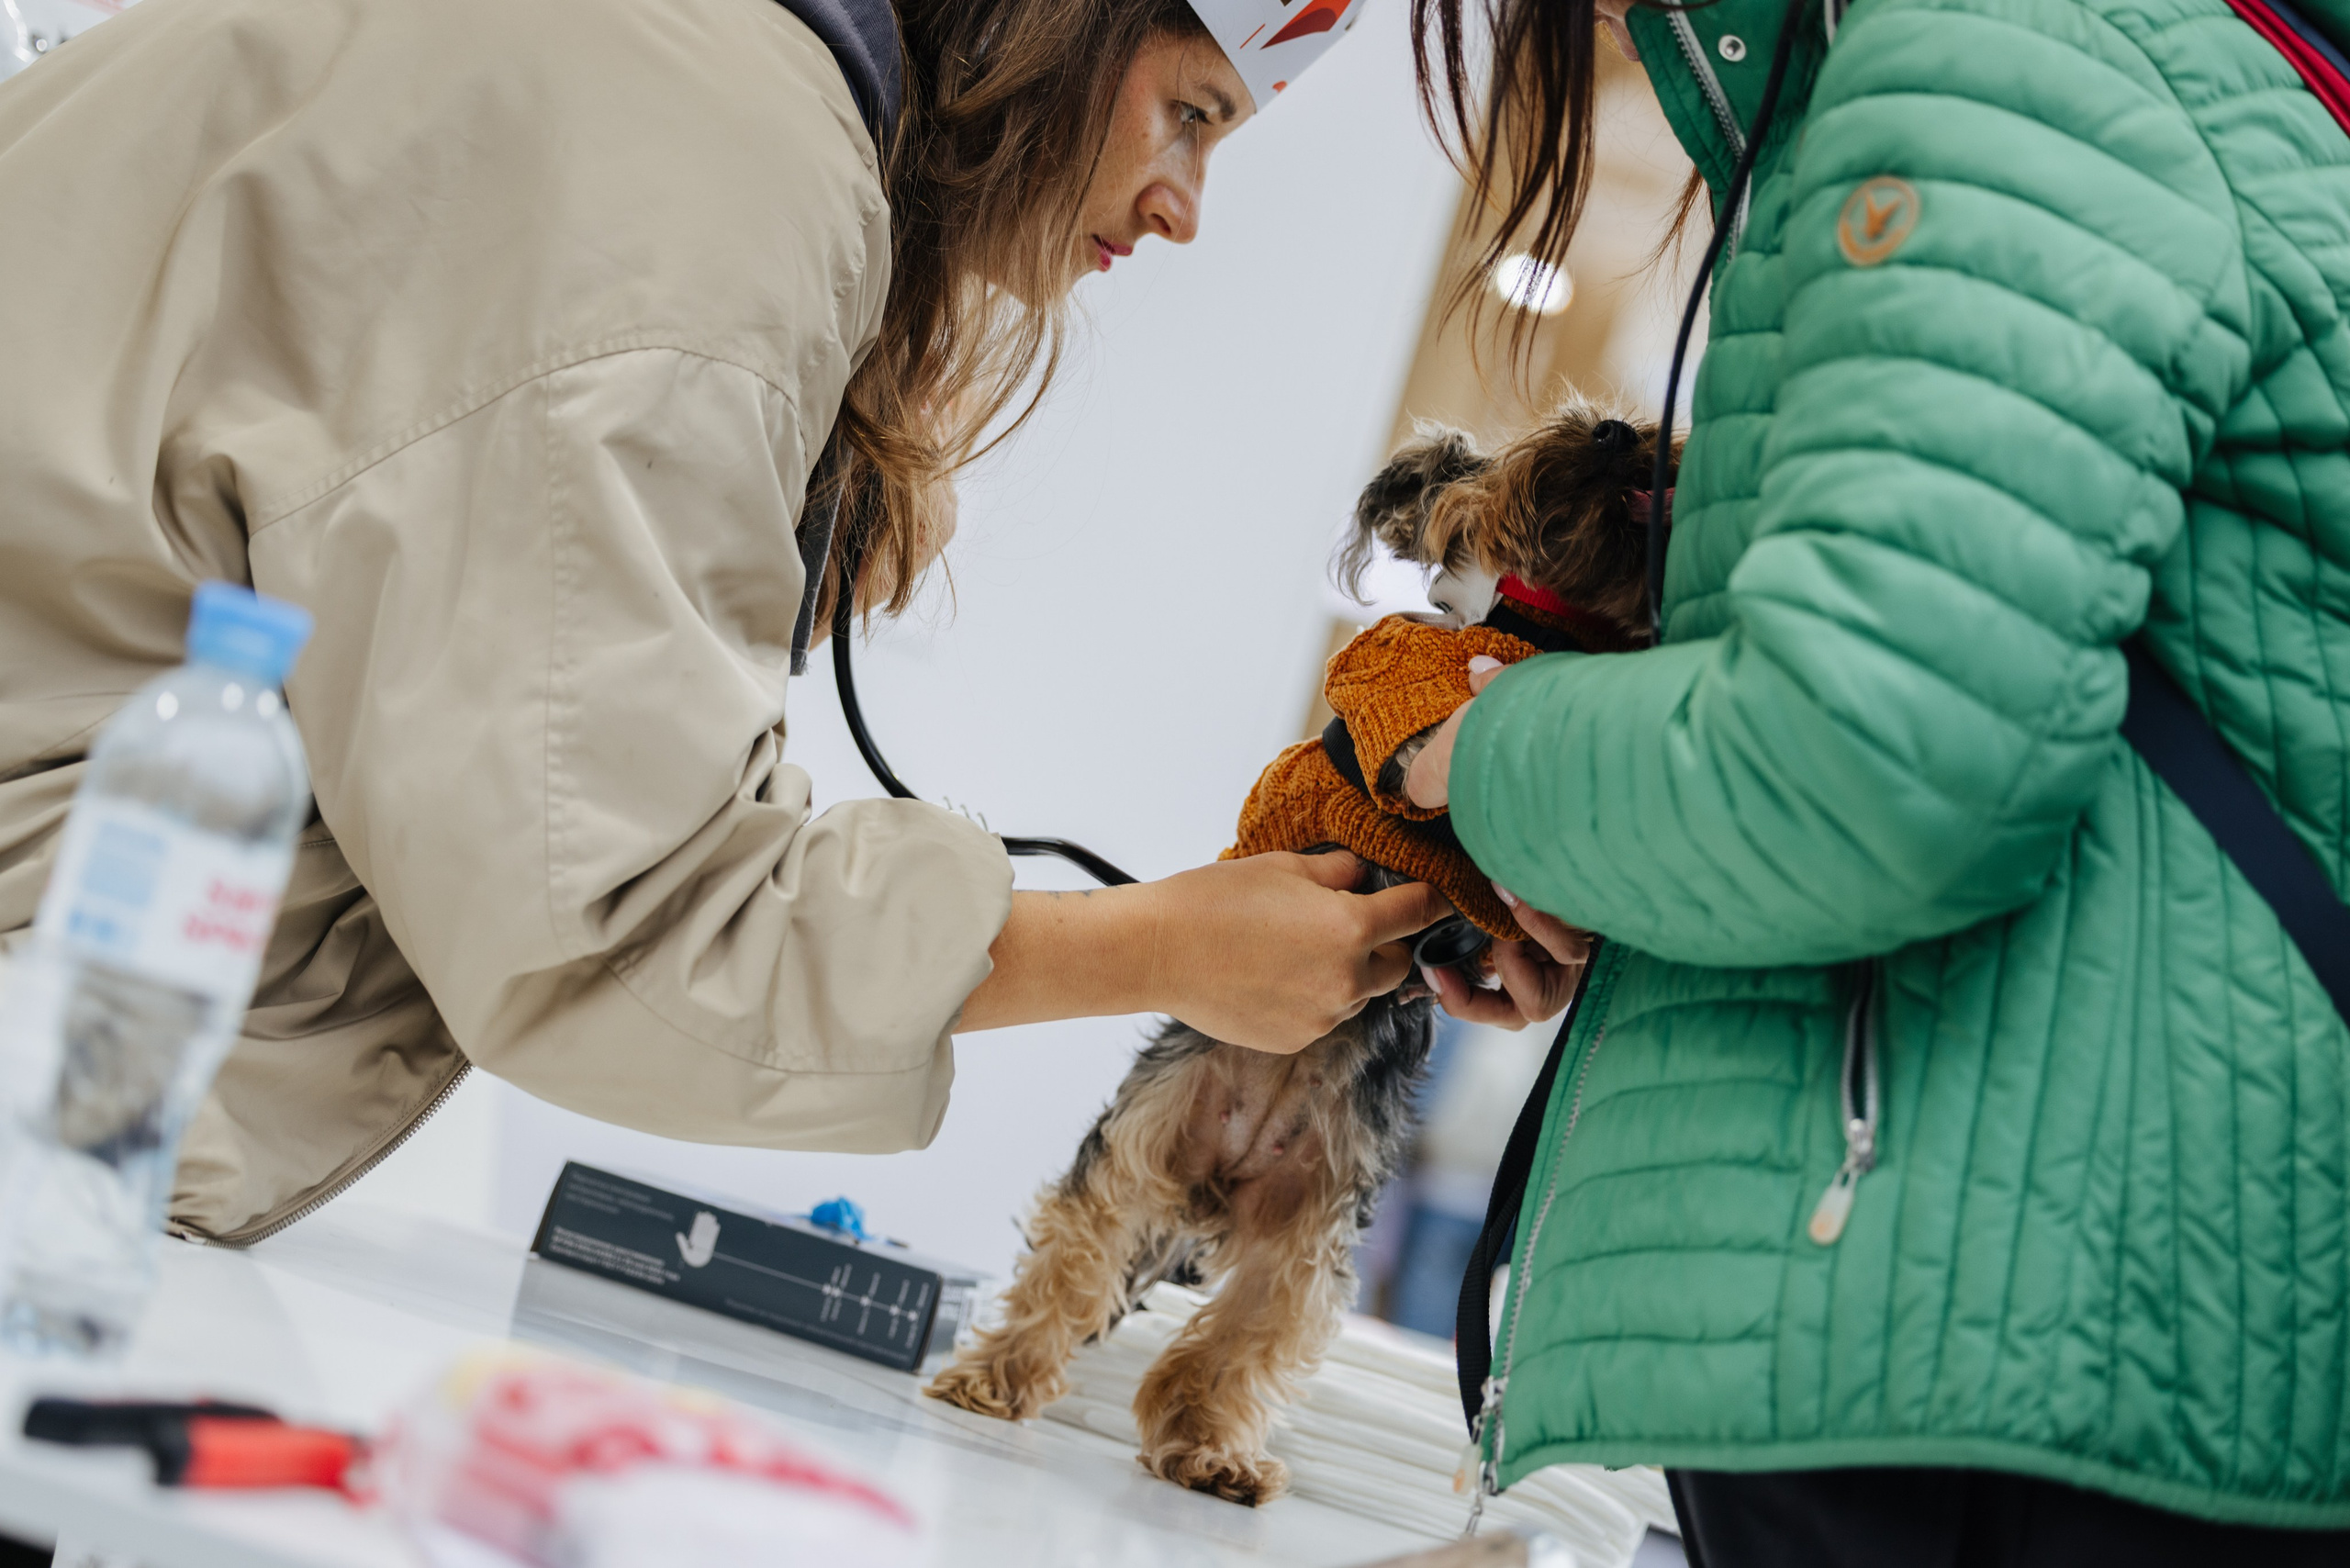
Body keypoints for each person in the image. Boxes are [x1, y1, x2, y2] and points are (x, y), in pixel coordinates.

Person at [0, 0, 1461, 1246]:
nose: (1183, 207)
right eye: (1192, 114)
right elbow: (622, 919)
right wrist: (1151, 950)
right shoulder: (697, 161)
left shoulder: (657, 67)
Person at [1400, 0, 2350, 1558]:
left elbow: (1868, 767)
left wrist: (1472, 759)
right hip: (2068, 1326)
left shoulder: (2017, 48)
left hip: (2006, 1350)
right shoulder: (2139, 62)